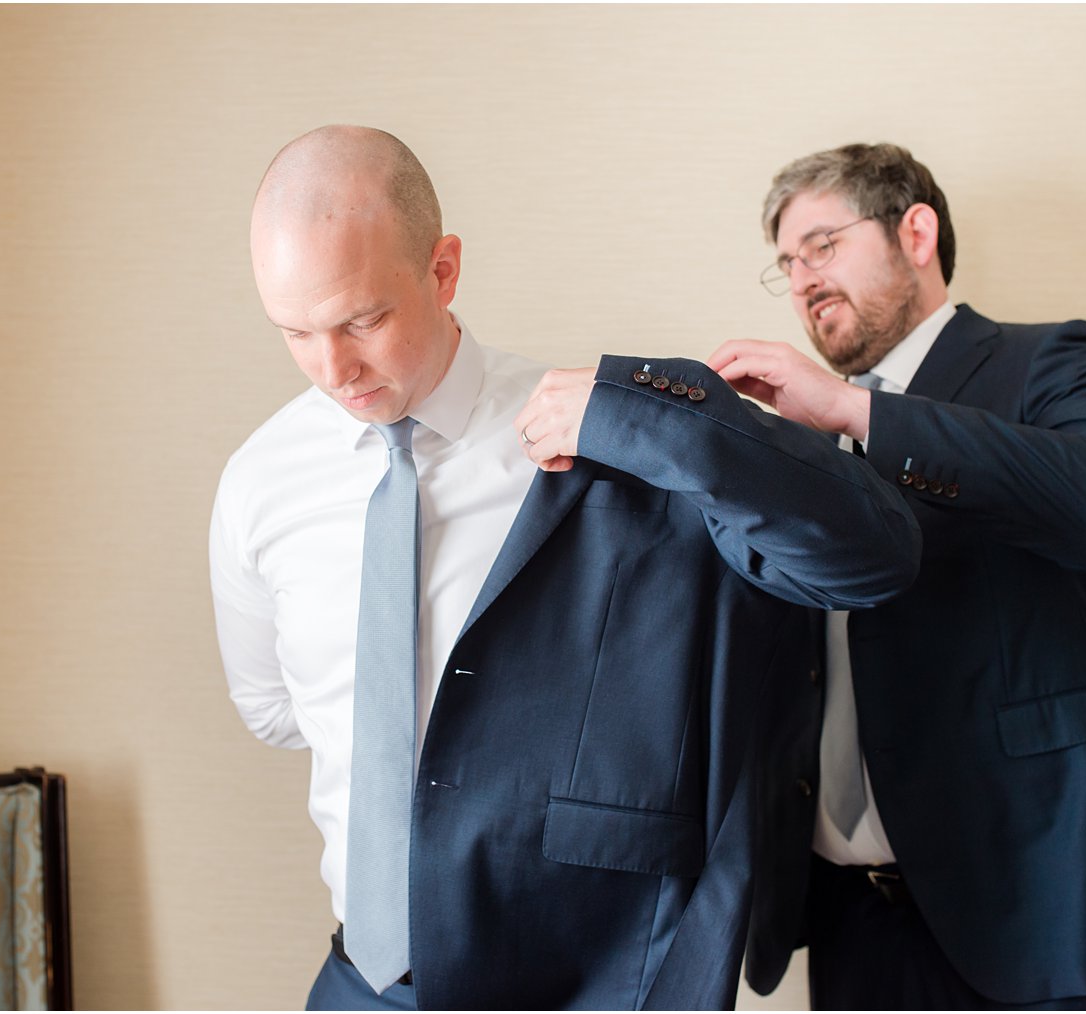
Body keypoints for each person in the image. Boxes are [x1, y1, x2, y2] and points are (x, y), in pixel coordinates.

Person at [208, 126, 921, 1010]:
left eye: (363, 320)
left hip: (584, 985)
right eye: (296, 333)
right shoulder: (258, 482)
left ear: (442, 270)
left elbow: (872, 559)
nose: (335, 369)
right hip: (361, 979)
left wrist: (661, 422)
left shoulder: (606, 444)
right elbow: (278, 711)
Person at [713, 143, 1086, 1010]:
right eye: (787, 264)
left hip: (1054, 895)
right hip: (856, 924)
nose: (802, 280)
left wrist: (855, 410)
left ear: (917, 232)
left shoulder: (1052, 359)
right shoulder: (800, 440)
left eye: (823, 245)